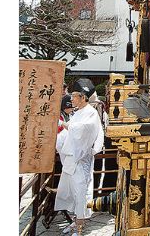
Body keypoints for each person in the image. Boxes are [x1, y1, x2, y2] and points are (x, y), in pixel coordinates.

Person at [54, 79, 104, 236]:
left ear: (83, 97)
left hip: (81, 159)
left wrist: (68, 126)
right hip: (71, 158)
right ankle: (75, 221)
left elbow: (85, 130)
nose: (72, 99)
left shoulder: (91, 112)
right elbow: (70, 135)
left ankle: (80, 226)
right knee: (71, 191)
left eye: (75, 96)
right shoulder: (79, 112)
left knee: (81, 191)